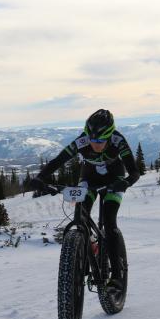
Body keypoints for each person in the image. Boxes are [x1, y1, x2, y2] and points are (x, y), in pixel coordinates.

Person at [30, 109, 140, 288]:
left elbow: (134, 171)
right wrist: (40, 178)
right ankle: (86, 246)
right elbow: (59, 160)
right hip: (89, 178)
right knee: (81, 213)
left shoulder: (118, 140)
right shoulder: (82, 140)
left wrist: (126, 182)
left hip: (115, 178)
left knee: (109, 220)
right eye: (93, 140)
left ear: (109, 135)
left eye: (101, 140)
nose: (96, 144)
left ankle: (117, 276)